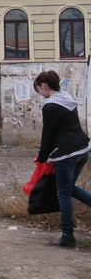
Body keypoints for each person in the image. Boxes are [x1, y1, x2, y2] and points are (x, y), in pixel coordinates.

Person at [34, 70, 91, 247]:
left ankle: (67, 237)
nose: (40, 94)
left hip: (66, 154)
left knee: (63, 194)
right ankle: (67, 235)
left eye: (39, 89)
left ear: (44, 86)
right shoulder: (67, 99)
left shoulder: (50, 106)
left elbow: (48, 134)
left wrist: (42, 158)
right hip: (83, 149)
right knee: (68, 188)